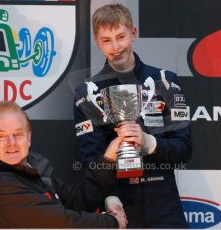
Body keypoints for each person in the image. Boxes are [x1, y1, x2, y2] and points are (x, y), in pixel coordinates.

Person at [73, 3, 192, 228]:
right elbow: (91, 159)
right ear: (97, 42)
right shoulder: (87, 93)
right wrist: (111, 200)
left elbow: (184, 148)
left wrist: (148, 142)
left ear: (133, 33)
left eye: (120, 36)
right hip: (119, 209)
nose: (116, 47)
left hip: (165, 206)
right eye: (106, 40)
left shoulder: (165, 82)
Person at [0, 101, 127, 228]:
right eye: (1, 136)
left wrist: (109, 159)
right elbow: (61, 223)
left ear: (29, 138)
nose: (11, 143)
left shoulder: (28, 172)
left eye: (18, 134)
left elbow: (79, 200)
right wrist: (112, 223)